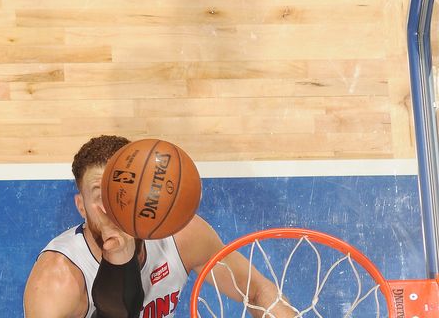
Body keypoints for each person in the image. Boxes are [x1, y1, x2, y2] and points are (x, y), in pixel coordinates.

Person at [23, 135, 296, 318]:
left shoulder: (184, 237)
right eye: (101, 195)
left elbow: (258, 291)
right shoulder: (56, 281)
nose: (116, 207)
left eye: (123, 192)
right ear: (81, 207)